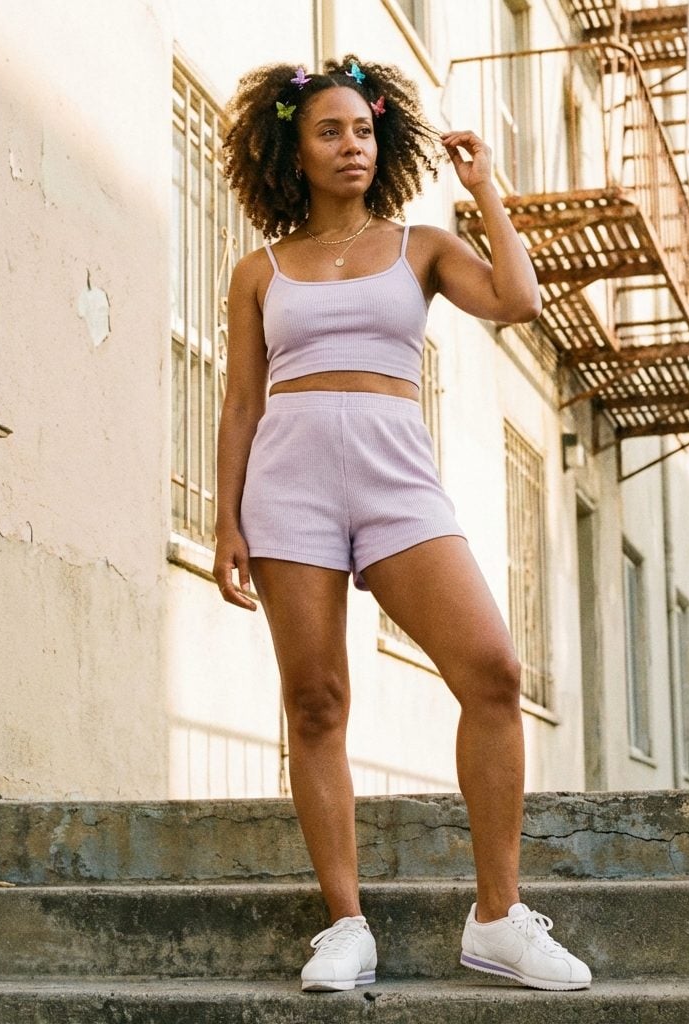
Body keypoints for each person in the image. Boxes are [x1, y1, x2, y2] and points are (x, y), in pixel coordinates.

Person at [213, 54, 591, 994]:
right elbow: (239, 404)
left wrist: (486, 190)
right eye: (329, 131)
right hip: (288, 483)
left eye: (364, 131)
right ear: (292, 151)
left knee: (494, 671)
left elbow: (516, 301)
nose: (352, 146)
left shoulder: (419, 246)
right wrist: (225, 518)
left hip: (396, 479)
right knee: (317, 702)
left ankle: (499, 917)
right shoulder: (258, 271)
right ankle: (345, 925)